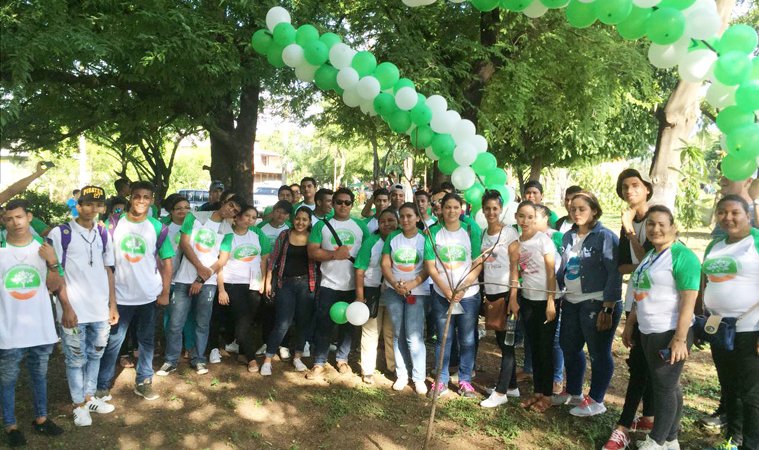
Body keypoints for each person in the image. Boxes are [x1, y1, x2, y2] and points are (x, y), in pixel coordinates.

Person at [625, 205, 700, 450]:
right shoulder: (650, 255)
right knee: (669, 385)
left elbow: (689, 297)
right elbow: (641, 291)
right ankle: (670, 439)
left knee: (664, 387)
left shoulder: (681, 255)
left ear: (673, 227)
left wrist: (679, 338)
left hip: (669, 331)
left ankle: (656, 441)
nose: (655, 229)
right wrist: (631, 323)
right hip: (648, 330)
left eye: (661, 224)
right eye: (650, 224)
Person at [48, 186, 120, 427]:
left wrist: (112, 304)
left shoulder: (103, 233)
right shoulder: (62, 233)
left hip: (99, 309)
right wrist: (65, 306)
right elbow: (55, 273)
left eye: (98, 205)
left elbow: (108, 269)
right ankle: (78, 404)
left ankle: (89, 397)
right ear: (78, 205)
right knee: (75, 359)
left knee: (96, 354)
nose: (93, 209)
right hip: (74, 311)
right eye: (88, 203)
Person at [96, 181, 174, 402]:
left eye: (146, 197)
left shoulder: (157, 227)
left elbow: (167, 262)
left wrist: (165, 291)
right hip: (119, 296)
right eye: (137, 196)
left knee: (146, 341)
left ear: (152, 200)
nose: (141, 201)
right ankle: (102, 385)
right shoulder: (113, 224)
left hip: (148, 295)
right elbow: (105, 262)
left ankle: (144, 382)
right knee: (114, 341)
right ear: (130, 197)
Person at [0, 199, 66, 447]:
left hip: (40, 328)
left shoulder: (43, 245)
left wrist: (52, 261)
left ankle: (41, 418)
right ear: (3, 220)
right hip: (8, 329)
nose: (15, 222)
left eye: (19, 217)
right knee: (7, 380)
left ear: (29, 217)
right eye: (8, 218)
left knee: (39, 376)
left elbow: (55, 285)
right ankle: (11, 425)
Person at [555, 191, 622, 417]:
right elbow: (563, 267)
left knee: (598, 352)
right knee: (569, 347)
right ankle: (574, 392)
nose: (576, 213)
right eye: (573, 209)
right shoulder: (568, 236)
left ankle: (596, 400)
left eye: (582, 209)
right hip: (571, 301)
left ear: (594, 210)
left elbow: (615, 272)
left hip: (596, 302)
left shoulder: (605, 237)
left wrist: (608, 306)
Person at [157, 194, 240, 376]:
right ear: (224, 202)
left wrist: (201, 278)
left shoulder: (227, 231)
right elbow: (185, 244)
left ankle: (199, 359)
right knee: (175, 322)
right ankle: (171, 360)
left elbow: (222, 259)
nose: (231, 210)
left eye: (235, 211)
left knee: (202, 323)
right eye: (231, 205)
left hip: (207, 284)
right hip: (182, 279)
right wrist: (199, 267)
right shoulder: (194, 217)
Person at [701, 195, 759, 450]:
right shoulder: (714, 245)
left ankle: (752, 443)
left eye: (735, 212)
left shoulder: (755, 241)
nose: (728, 217)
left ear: (748, 214)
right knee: (729, 386)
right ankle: (734, 439)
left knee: (751, 391)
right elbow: (705, 281)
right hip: (720, 328)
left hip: (751, 328)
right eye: (722, 212)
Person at [604, 169, 656, 450]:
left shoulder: (656, 217)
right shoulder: (628, 220)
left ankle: (623, 426)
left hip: (656, 302)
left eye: (635, 185)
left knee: (640, 365)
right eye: (624, 187)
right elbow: (623, 265)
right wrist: (643, 265)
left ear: (647, 188)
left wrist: (628, 229)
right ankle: (648, 416)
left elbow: (654, 258)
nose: (629, 191)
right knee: (640, 360)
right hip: (634, 299)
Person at [306, 188, 369, 379]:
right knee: (324, 324)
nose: (343, 205)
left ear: (352, 204)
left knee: (349, 326)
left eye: (347, 202)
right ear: (332, 204)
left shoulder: (361, 226)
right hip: (328, 284)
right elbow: (312, 252)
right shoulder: (322, 226)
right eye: (339, 202)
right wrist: (334, 254)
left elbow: (368, 253)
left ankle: (343, 359)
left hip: (353, 285)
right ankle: (319, 361)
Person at [424, 193, 482, 399]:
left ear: (462, 209)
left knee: (467, 339)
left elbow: (478, 261)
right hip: (442, 294)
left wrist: (464, 287)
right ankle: (441, 380)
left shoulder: (470, 229)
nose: (451, 211)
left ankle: (465, 380)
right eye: (448, 207)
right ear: (441, 208)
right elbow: (431, 267)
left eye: (456, 207)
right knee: (444, 338)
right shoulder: (433, 233)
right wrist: (447, 290)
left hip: (469, 294)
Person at [261, 207, 318, 375]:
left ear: (309, 222)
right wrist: (268, 280)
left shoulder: (313, 237)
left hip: (307, 285)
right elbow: (273, 258)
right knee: (282, 323)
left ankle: (297, 357)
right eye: (298, 219)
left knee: (302, 322)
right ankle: (268, 359)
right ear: (293, 219)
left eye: (304, 220)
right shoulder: (284, 235)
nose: (300, 222)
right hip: (285, 284)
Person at [477, 191, 521, 408]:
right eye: (487, 208)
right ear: (483, 210)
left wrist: (513, 296)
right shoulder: (485, 233)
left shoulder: (509, 233)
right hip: (492, 293)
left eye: (495, 208)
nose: (491, 212)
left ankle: (501, 391)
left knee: (507, 343)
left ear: (501, 209)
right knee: (500, 340)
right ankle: (512, 386)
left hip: (506, 294)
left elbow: (515, 266)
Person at [514, 200, 558, 413]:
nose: (525, 220)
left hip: (546, 301)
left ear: (535, 219)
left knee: (545, 349)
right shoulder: (517, 243)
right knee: (533, 346)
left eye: (530, 217)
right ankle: (538, 392)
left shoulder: (544, 241)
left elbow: (551, 273)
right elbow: (516, 273)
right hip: (528, 299)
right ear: (516, 218)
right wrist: (515, 298)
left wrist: (551, 301)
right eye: (521, 216)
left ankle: (547, 396)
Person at [382, 203, 430, 394]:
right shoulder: (393, 237)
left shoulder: (425, 239)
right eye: (402, 216)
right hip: (394, 291)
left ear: (418, 218)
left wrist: (411, 285)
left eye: (409, 216)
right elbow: (386, 264)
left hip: (417, 293)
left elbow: (428, 268)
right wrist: (395, 284)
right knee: (398, 333)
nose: (405, 220)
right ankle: (402, 374)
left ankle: (419, 377)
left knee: (414, 335)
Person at [215, 205, 270, 373]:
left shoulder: (257, 234)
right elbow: (220, 265)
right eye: (246, 216)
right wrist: (222, 289)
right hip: (233, 284)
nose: (250, 220)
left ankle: (241, 352)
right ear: (237, 217)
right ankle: (252, 358)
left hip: (254, 284)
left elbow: (264, 260)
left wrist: (264, 281)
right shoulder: (227, 236)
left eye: (253, 217)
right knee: (241, 323)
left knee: (247, 322)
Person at [355, 208, 398, 385]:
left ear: (397, 221)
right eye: (383, 221)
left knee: (391, 332)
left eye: (391, 220)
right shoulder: (370, 242)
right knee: (371, 331)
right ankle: (368, 370)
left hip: (395, 292)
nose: (387, 224)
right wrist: (360, 296)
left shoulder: (401, 240)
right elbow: (359, 270)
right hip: (372, 292)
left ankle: (393, 367)